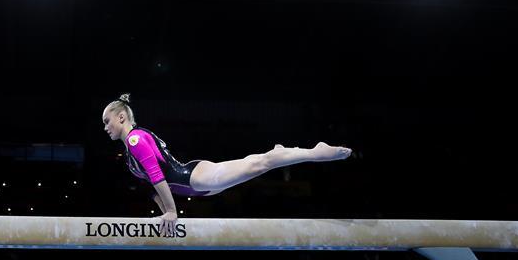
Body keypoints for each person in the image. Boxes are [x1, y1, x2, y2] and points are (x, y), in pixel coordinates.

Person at [102, 94, 352, 235]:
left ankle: (314, 151)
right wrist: (163, 212)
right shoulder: (129, 151)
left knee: (259, 165)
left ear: (121, 116)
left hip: (195, 178)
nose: (105, 127)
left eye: (107, 121)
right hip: (199, 185)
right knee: (254, 163)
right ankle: (279, 153)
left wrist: (171, 212)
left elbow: (158, 176)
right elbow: (151, 188)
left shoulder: (135, 139)